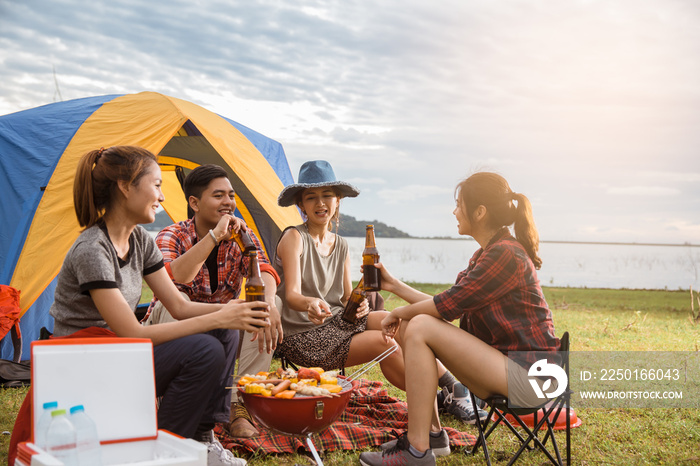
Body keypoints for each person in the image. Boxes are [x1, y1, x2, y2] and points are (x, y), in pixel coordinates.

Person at [49, 146, 264, 466]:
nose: (162, 197)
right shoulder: (93, 249)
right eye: (157, 185)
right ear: (125, 187)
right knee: (205, 348)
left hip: (118, 354)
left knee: (223, 332)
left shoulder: (138, 241)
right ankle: (166, 450)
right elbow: (131, 332)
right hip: (84, 364)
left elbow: (178, 305)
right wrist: (223, 314)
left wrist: (237, 311)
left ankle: (196, 440)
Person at [359, 172, 561, 466]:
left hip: (532, 378)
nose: (454, 211)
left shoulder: (505, 255)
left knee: (420, 325)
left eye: (459, 204)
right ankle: (431, 436)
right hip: (508, 367)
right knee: (415, 325)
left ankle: (417, 451)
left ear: (480, 212)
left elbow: (443, 308)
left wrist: (398, 311)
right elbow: (448, 303)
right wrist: (393, 286)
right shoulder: (486, 254)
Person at [274, 161, 474, 433]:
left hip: (336, 325)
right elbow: (293, 295)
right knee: (385, 341)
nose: (320, 203)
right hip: (303, 336)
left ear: (338, 201)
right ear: (301, 205)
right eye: (311, 198)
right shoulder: (294, 238)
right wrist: (310, 303)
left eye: (327, 196)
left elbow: (345, 297)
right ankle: (432, 412)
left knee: (395, 322)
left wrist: (360, 306)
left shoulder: (341, 244)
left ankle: (452, 388)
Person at [144, 163, 282, 438]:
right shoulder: (171, 234)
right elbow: (176, 279)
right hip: (173, 321)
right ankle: (172, 395)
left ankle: (237, 404)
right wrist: (214, 236)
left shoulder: (242, 234)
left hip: (224, 326)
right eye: (218, 195)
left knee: (263, 307)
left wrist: (268, 301)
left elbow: (264, 269)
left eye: (231, 195)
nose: (228, 202)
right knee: (179, 297)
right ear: (194, 202)